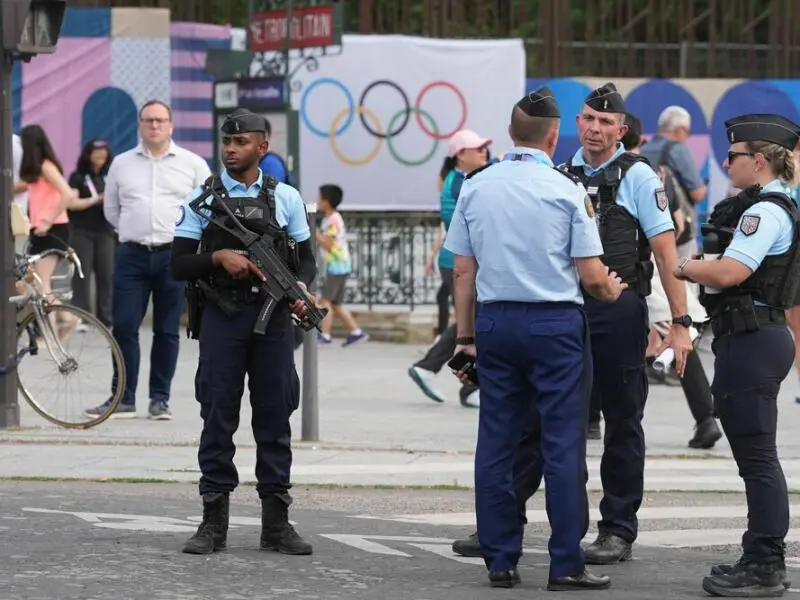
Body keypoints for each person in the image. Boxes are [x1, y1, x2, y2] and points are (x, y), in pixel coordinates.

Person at [450, 82, 695, 565]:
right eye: (588, 120)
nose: (596, 129)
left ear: (622, 130)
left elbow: (667, 256)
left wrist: (681, 321)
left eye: (606, 123)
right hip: (566, 309)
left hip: (618, 309)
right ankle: (503, 523)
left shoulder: (640, 178)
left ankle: (617, 528)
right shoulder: (560, 176)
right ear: (573, 125)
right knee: (538, 423)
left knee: (623, 420)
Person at [444, 86, 626, 591]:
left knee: (497, 441)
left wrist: (466, 336)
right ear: (553, 137)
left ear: (509, 134)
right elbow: (590, 276)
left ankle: (500, 558)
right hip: (555, 325)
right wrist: (611, 291)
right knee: (562, 445)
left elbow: (463, 269)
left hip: (497, 322)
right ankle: (565, 562)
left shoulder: (477, 186)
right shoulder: (566, 190)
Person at [170, 108, 317, 557]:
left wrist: (299, 289)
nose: (231, 149)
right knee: (217, 414)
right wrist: (218, 259)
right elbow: (177, 263)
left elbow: (307, 259)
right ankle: (213, 521)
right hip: (222, 314)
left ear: (262, 147)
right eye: (227, 142)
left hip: (272, 319)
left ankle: (277, 523)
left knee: (274, 416)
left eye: (241, 142)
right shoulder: (204, 197)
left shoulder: (286, 197)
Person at [674, 114, 800, 597]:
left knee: (758, 458)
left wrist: (685, 268)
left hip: (751, 340)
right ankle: (758, 555)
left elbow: (729, 272)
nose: (727, 162)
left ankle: (765, 565)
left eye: (734, 156)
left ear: (760, 161)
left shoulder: (763, 212)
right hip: (755, 337)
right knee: (756, 457)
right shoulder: (779, 206)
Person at [85, 100, 211, 420]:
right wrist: (133, 230)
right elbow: (111, 210)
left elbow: (207, 209)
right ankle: (123, 397)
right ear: (140, 125)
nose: (154, 126)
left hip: (174, 255)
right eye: (148, 120)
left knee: (167, 330)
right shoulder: (122, 164)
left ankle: (159, 399)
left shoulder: (193, 164)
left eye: (160, 120)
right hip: (131, 255)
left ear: (171, 125)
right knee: (124, 325)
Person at [626, 113, 722, 450]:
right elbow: (680, 225)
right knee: (678, 336)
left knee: (600, 338)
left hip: (619, 267)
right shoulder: (658, 175)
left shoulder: (597, 174)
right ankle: (706, 417)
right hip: (656, 262)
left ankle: (592, 418)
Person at [407, 129, 490, 408]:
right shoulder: (457, 183)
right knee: (470, 322)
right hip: (457, 262)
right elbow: (467, 225)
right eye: (477, 149)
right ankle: (459, 383)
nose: (483, 152)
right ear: (460, 155)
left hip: (461, 261)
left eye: (484, 148)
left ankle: (433, 370)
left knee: (469, 322)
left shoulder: (466, 180)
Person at [67, 139, 116, 328]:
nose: (100, 159)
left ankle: (106, 316)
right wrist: (94, 200)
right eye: (96, 155)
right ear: (88, 155)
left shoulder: (110, 175)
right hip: (82, 230)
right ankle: (81, 316)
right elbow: (72, 203)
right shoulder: (77, 177)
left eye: (103, 155)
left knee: (106, 274)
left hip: (105, 230)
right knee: (82, 274)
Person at [315, 184, 368, 346]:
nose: (317, 200)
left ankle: (325, 335)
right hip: (339, 266)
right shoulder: (330, 219)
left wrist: (314, 232)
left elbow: (329, 245)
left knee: (325, 301)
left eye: (319, 197)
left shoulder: (333, 220)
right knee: (335, 303)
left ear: (326, 201)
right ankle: (356, 331)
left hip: (336, 266)